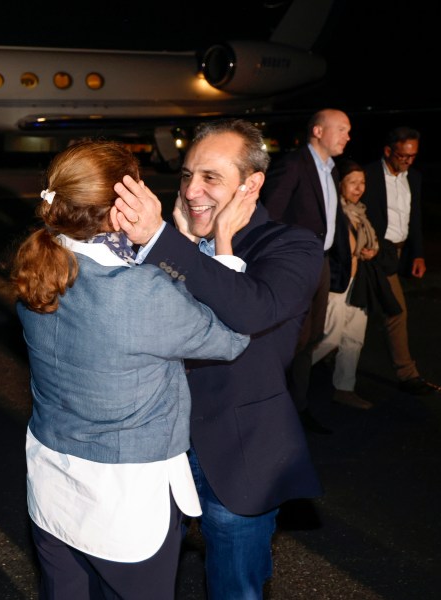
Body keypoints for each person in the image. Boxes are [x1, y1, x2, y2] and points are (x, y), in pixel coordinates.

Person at [10, 140, 250, 598]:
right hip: (121, 504)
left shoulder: (39, 266)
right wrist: (220, 245)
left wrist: (168, 244)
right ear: (123, 208)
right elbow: (231, 336)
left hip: (52, 485)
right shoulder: (140, 293)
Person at [112, 119, 324, 599]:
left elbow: (247, 311)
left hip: (239, 452)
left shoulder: (292, 246)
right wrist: (182, 245)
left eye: (210, 177)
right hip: (157, 448)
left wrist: (172, 243)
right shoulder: (177, 247)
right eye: (186, 175)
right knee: (143, 582)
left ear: (251, 184)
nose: (191, 190)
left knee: (235, 590)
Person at [259, 108, 353, 434]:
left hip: (321, 261)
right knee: (288, 337)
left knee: (311, 336)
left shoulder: (331, 169)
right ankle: (271, 407)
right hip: (295, 264)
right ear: (317, 131)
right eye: (341, 129)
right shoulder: (293, 164)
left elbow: (331, 219)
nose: (347, 136)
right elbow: (269, 215)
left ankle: (297, 408)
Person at [312, 159, 399, 410]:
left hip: (359, 283)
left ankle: (344, 388)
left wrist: (372, 251)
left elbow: (368, 244)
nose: (359, 188)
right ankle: (288, 379)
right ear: (340, 184)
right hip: (337, 285)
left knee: (354, 338)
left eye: (362, 182)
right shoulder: (334, 213)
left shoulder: (360, 212)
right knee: (329, 338)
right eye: (353, 182)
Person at [361, 126, 441, 396]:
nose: (408, 161)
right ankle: (407, 375)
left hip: (397, 252)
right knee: (392, 311)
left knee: (367, 313)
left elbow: (414, 218)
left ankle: (324, 359)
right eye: (403, 156)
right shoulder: (369, 175)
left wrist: (417, 253)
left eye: (413, 156)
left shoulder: (413, 177)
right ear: (388, 151)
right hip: (371, 252)